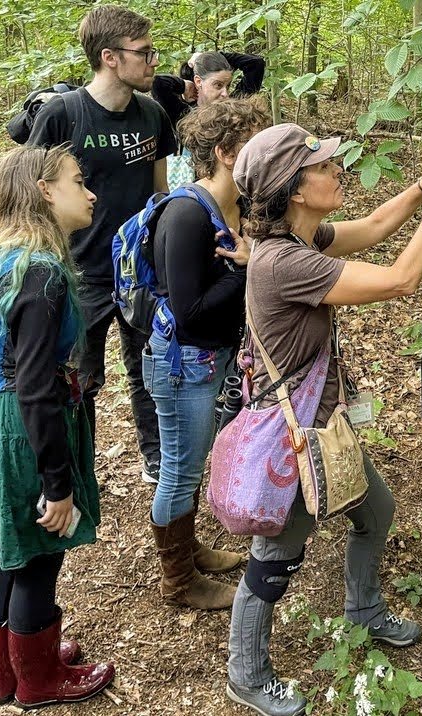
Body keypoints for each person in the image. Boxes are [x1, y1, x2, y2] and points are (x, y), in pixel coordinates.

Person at [224, 124, 422, 715]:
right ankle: (246, 671)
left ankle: (363, 609)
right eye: (322, 166)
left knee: (377, 510)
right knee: (277, 555)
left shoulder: (303, 238)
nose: (336, 170)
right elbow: (399, 279)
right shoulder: (284, 263)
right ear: (293, 187)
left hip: (324, 427)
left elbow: (369, 231)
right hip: (291, 440)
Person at [0, 145, 114, 708]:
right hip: (24, 428)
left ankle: (9, 673)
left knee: (11, 552)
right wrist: (57, 485)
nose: (89, 192)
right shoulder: (39, 273)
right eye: (76, 180)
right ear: (44, 190)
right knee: (40, 557)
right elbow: (37, 386)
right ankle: (39, 681)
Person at [27, 5, 177, 486]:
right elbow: (30, 194)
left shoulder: (153, 114)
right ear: (110, 57)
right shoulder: (61, 116)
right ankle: (73, 472)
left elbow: (160, 196)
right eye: (144, 52)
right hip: (79, 273)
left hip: (140, 273)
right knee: (78, 380)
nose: (154, 60)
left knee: (149, 373)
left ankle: (157, 462)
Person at [145, 98, 270, 610]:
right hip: (182, 366)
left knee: (190, 465)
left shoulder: (231, 208)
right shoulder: (185, 214)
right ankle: (178, 580)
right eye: (251, 148)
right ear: (223, 153)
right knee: (179, 469)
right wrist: (247, 270)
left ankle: (188, 548)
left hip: (206, 362)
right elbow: (189, 310)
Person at [152, 50, 266, 190]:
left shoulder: (234, 110)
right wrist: (183, 85)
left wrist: (211, 56)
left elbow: (256, 64)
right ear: (198, 81)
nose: (225, 93)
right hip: (197, 195)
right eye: (218, 85)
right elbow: (158, 84)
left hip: (234, 192)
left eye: (228, 86)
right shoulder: (184, 114)